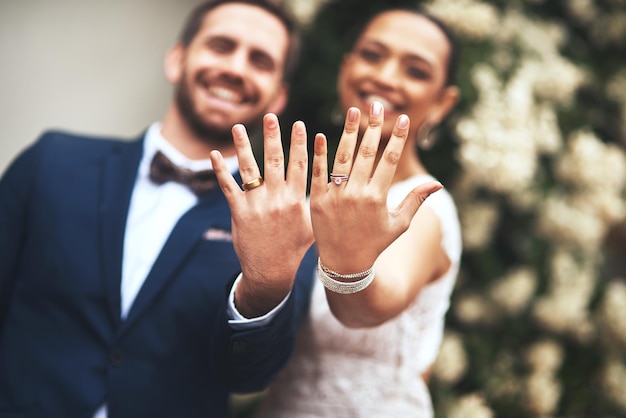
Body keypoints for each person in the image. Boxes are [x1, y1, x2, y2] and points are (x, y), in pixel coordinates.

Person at [0, 1, 318, 417]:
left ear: (278, 97)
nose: (236, 68)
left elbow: (246, 375)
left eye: (260, 60)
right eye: (221, 46)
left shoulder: (286, 222)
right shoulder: (53, 162)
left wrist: (264, 285)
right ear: (177, 59)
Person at [255, 5, 462, 417]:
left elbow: (364, 308)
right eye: (372, 55)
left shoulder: (424, 205)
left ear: (442, 103)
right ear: (345, 68)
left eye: (416, 71)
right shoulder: (310, 191)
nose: (385, 76)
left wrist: (349, 266)